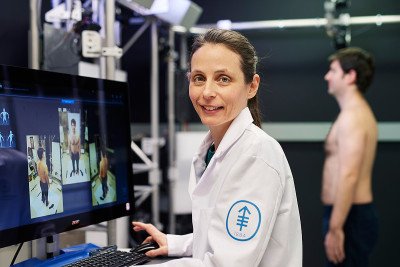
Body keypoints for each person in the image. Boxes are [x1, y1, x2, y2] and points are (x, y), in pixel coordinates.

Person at [132, 28, 302, 267]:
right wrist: (176, 244)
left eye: (223, 79)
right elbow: (225, 235)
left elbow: (226, 263)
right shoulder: (215, 149)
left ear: (252, 86)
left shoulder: (256, 155)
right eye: (199, 78)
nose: (207, 92)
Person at [322, 47, 379, 266]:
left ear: (350, 76)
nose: (327, 76)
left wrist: (336, 228)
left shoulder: (352, 118)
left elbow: (349, 175)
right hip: (348, 215)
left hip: (349, 218)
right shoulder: (353, 114)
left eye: (333, 71)